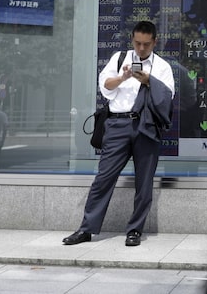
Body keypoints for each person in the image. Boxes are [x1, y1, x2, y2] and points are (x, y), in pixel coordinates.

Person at [63, 20, 175, 247]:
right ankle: (86, 229)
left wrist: (148, 82)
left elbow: (168, 97)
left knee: (144, 183)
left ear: (155, 42)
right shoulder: (120, 58)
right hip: (117, 125)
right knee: (103, 178)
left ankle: (135, 230)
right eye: (137, 43)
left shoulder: (162, 66)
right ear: (132, 39)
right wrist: (124, 77)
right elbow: (105, 85)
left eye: (146, 44)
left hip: (146, 126)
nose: (141, 48)